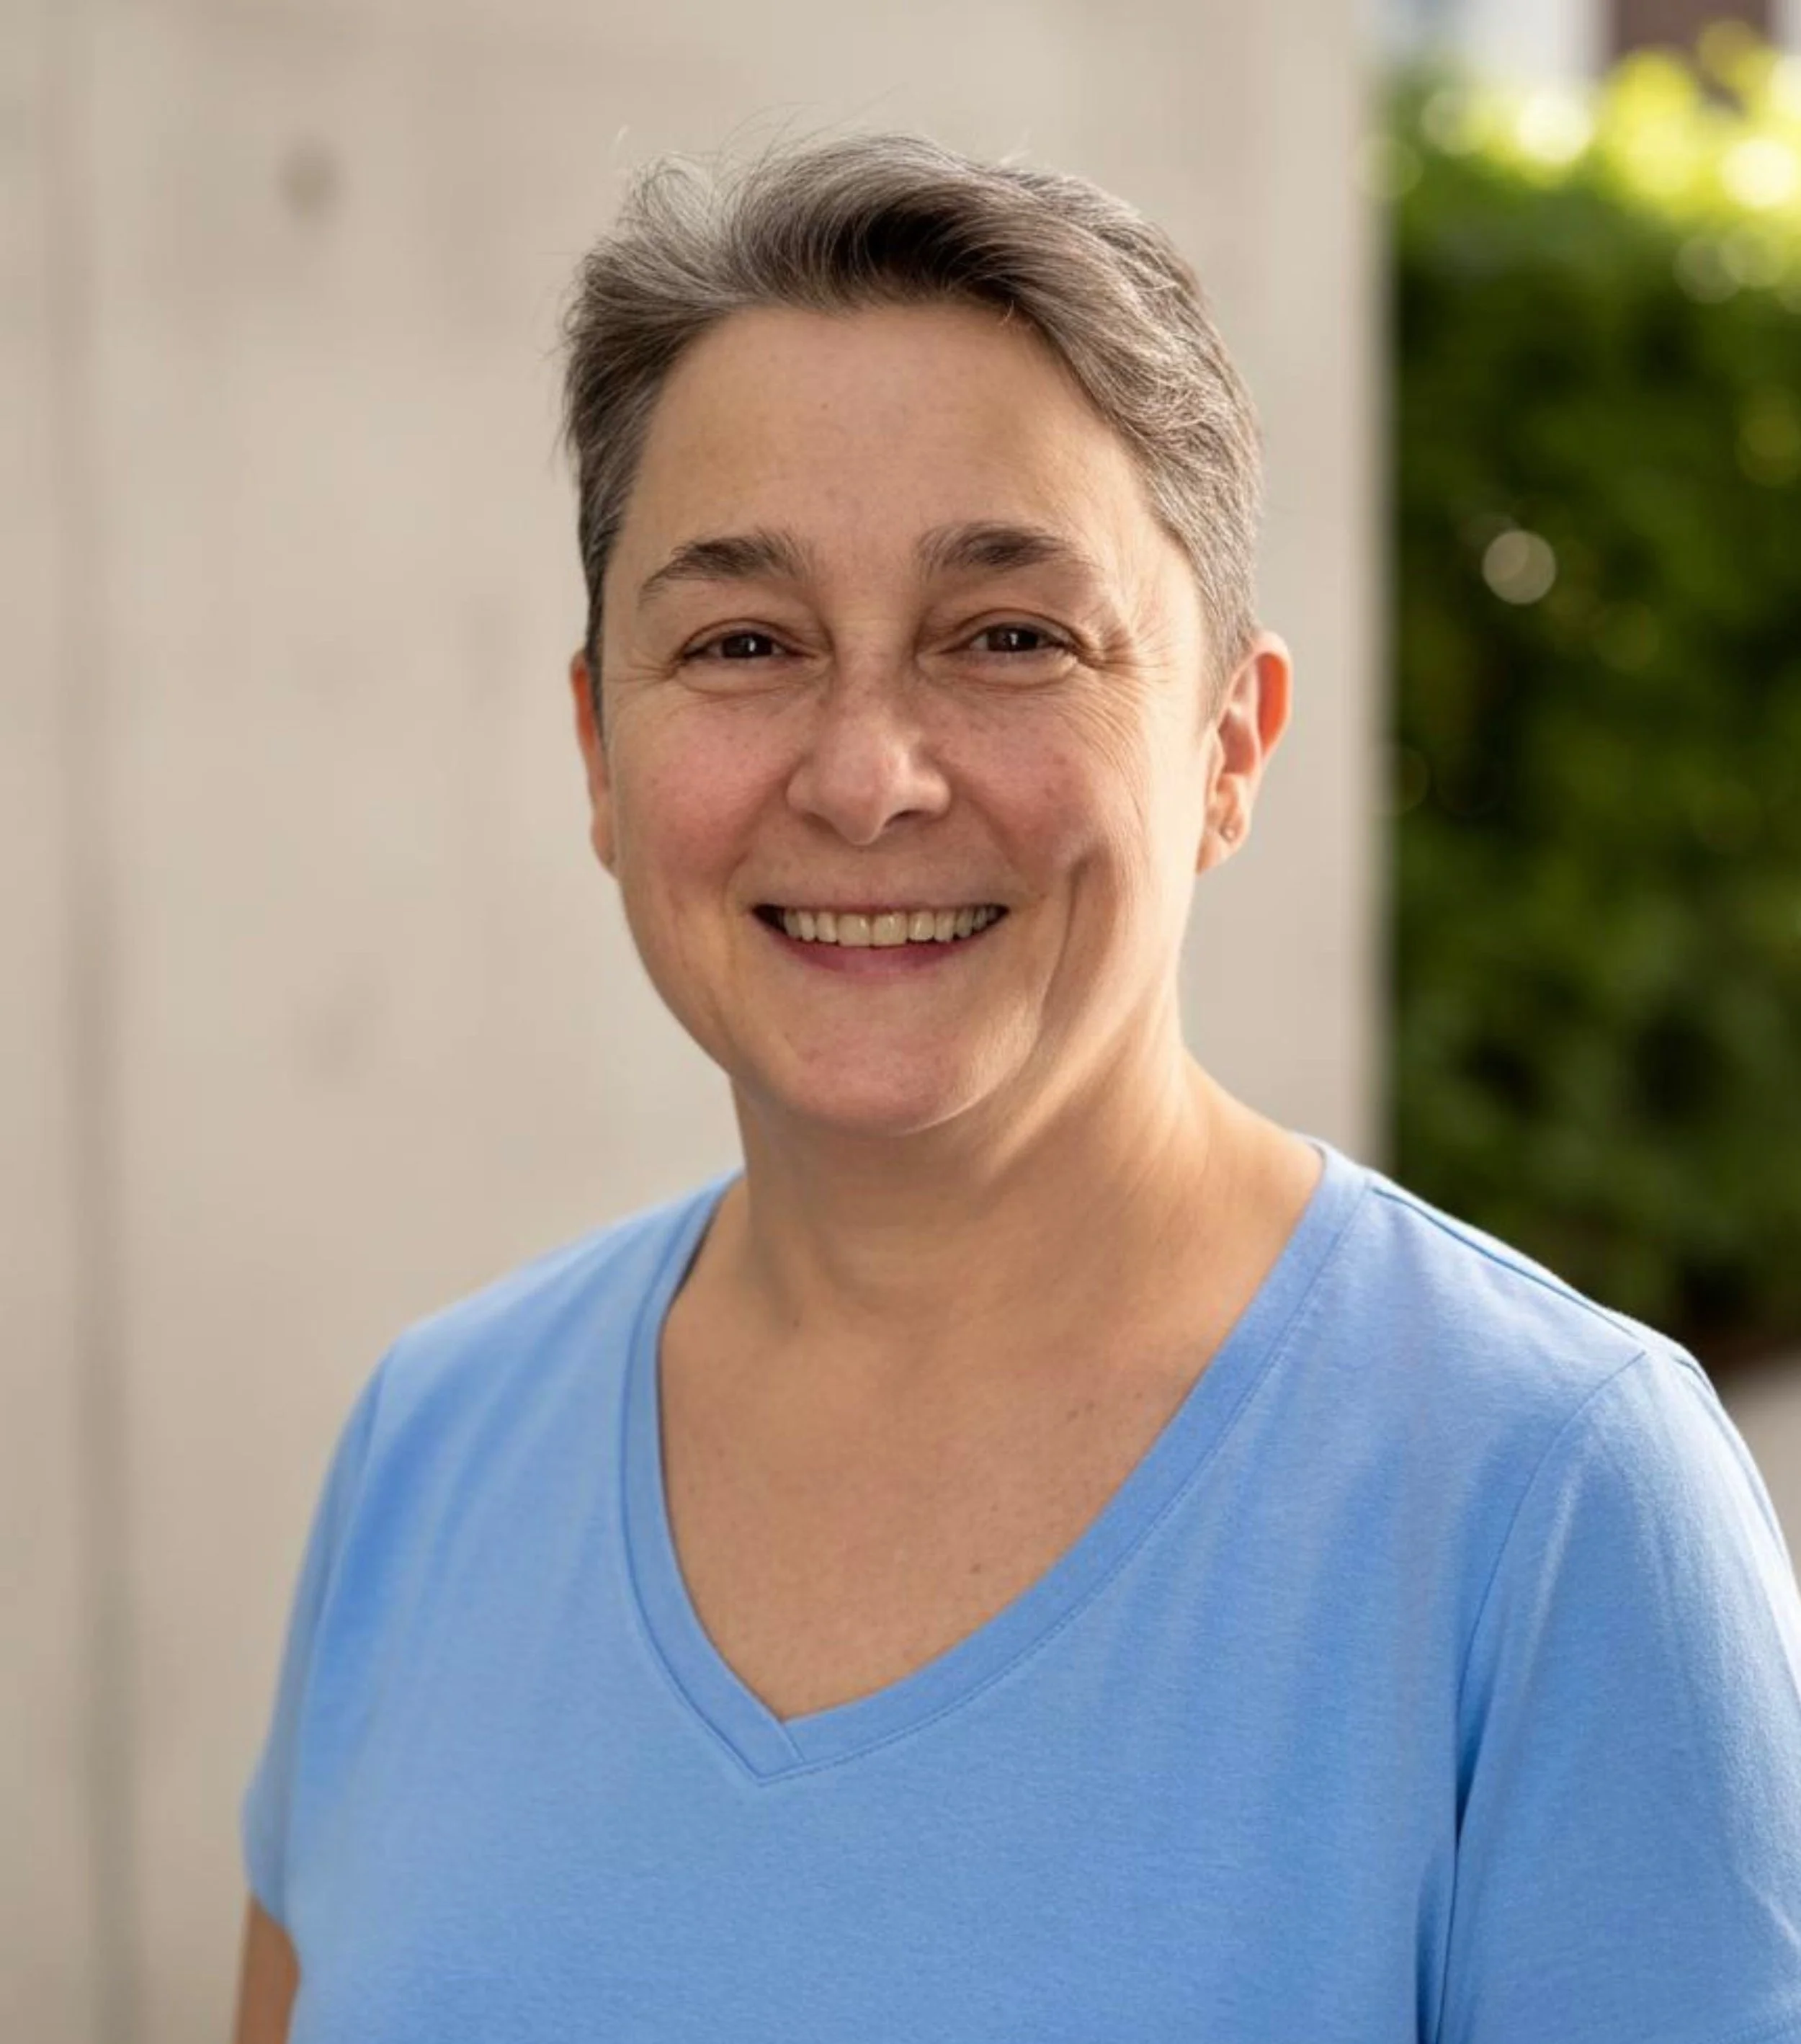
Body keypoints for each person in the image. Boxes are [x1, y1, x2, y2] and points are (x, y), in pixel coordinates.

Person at [231, 133, 1801, 2044]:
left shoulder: (1551, 1502)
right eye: (742, 642)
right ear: (597, 748)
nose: (866, 775)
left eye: (1008, 638)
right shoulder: (431, 1448)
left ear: (1229, 746)